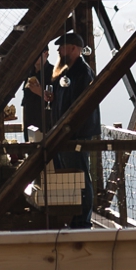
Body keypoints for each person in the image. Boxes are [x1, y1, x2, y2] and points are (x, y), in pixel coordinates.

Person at [43, 31, 99, 227]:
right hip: (65, 133)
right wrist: (52, 98)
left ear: (74, 48)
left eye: (62, 46)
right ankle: (73, 215)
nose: (58, 50)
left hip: (76, 134)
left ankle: (83, 219)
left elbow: (81, 105)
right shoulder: (67, 71)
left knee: (81, 175)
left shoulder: (82, 72)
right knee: (72, 175)